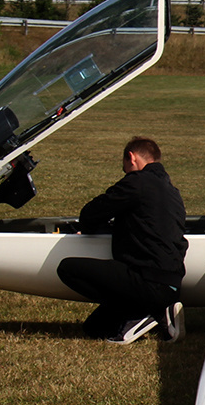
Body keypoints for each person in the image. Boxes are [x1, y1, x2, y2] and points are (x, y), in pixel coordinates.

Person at [57, 138, 188, 344]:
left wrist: (89, 228)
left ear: (131, 158)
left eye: (124, 168)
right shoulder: (172, 192)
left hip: (146, 280)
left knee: (66, 268)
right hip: (171, 285)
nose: (125, 172)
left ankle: (144, 312)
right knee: (94, 328)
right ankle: (151, 314)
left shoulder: (137, 182)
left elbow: (92, 213)